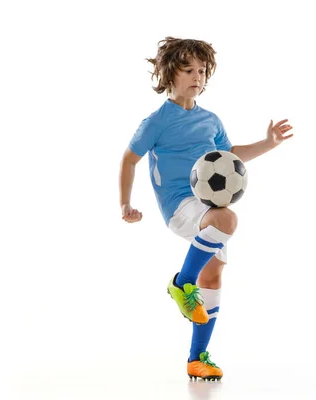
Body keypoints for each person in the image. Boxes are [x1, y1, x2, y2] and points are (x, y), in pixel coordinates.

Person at [119, 37, 293, 380]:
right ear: (170, 74)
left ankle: (197, 358)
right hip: (180, 204)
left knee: (212, 276)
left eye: (201, 70)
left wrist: (269, 144)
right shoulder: (156, 121)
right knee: (227, 217)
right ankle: (181, 284)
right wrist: (125, 203)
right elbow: (128, 160)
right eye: (188, 70)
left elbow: (230, 156)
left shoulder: (210, 120)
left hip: (208, 204)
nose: (196, 77)